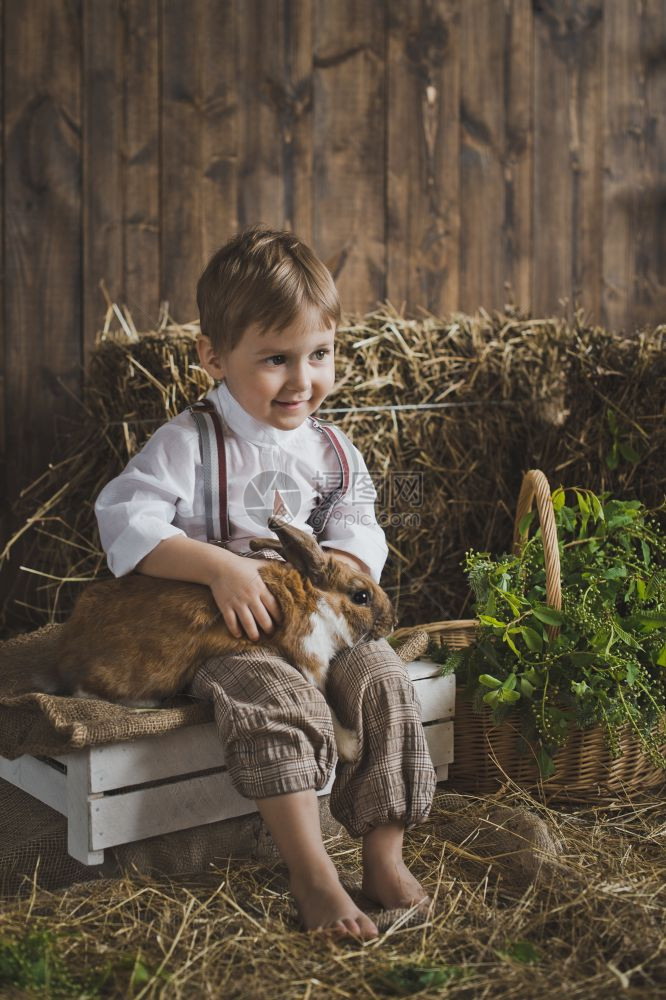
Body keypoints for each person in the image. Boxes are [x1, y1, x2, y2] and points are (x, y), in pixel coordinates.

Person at [95, 224, 436, 939]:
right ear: (213, 357)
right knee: (276, 700)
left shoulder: (334, 450)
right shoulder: (190, 441)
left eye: (320, 355)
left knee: (386, 681)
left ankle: (381, 852)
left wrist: (344, 570)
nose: (302, 380)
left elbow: (358, 530)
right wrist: (218, 565)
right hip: (232, 636)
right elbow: (126, 516)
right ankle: (312, 872)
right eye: (276, 360)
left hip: (320, 629)